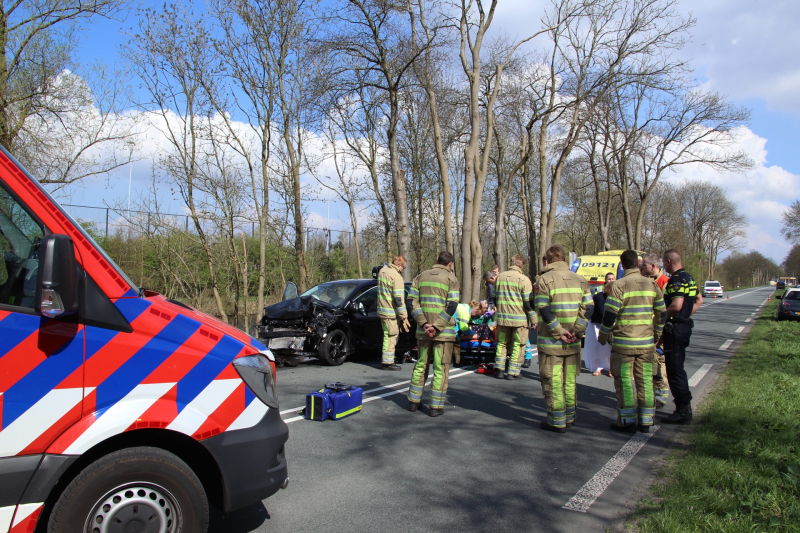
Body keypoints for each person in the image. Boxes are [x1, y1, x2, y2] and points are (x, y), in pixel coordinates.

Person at [598, 250, 666, 433]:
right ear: (638, 263)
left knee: (625, 381)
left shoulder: (619, 285)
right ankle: (646, 421)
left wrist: (603, 337)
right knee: (645, 380)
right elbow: (662, 313)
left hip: (623, 345)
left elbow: (610, 315)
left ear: (622, 265)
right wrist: (656, 334)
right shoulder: (652, 284)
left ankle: (627, 420)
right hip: (646, 345)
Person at [535, 245, 592, 433]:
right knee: (569, 381)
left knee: (553, 381)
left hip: (552, 342)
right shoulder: (581, 279)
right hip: (574, 342)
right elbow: (589, 309)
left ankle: (557, 421)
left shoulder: (544, 279)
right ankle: (570, 416)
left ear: (548, 260)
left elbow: (544, 309)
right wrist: (577, 331)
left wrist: (560, 332)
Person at [407, 251, 460, 417]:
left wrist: (424, 323)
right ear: (450, 264)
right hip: (443, 334)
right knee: (441, 368)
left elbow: (411, 302)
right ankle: (435, 407)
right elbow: (452, 306)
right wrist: (436, 327)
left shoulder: (420, 276)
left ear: (437, 260)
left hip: (423, 332)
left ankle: (413, 402)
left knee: (421, 365)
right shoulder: (451, 279)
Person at [659, 249, 703, 424]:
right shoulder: (689, 278)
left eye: (664, 262)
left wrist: (659, 314)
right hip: (683, 327)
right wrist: (686, 316)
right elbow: (699, 300)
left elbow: (676, 306)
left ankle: (683, 410)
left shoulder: (676, 280)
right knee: (678, 368)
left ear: (669, 261)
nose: (663, 265)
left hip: (675, 330)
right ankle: (684, 408)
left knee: (675, 370)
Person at [493, 254, 537, 380]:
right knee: (519, 344)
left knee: (502, 343)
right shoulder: (524, 279)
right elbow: (528, 304)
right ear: (521, 265)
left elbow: (495, 299)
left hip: (502, 319)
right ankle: (513, 372)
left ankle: (499, 370)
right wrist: (534, 319)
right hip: (519, 320)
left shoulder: (499, 277)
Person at [639, 254, 670, 406]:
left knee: (659, 363)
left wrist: (660, 332)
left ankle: (661, 395)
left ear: (653, 266)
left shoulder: (665, 282)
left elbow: (664, 311)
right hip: (645, 330)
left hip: (658, 330)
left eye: (643, 265)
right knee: (648, 363)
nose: (641, 268)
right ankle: (650, 394)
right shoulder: (646, 281)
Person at [377, 256, 410, 370]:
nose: (403, 270)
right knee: (391, 336)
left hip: (382, 310)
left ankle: (388, 359)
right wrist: (404, 316)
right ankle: (388, 362)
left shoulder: (382, 271)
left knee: (386, 335)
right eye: (403, 267)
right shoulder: (396, 277)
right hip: (391, 312)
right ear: (400, 265)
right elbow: (398, 299)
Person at [584, 272, 615, 376]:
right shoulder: (599, 297)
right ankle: (598, 367)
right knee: (597, 347)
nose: (611, 280)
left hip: (609, 323)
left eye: (612, 278)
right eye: (609, 279)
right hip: (597, 324)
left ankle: (611, 368)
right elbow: (602, 313)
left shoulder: (615, 296)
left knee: (610, 348)